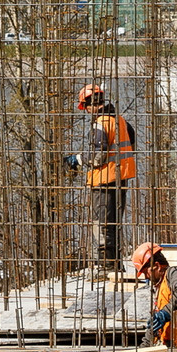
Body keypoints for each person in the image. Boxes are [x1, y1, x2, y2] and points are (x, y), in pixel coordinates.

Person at [71, 83, 137, 269]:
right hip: (121, 178)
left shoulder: (101, 123)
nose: (87, 111)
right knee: (114, 221)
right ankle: (115, 263)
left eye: (86, 107)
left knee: (103, 223)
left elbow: (98, 155)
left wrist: (78, 159)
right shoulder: (121, 120)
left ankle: (106, 265)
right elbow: (130, 143)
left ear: (90, 104)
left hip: (104, 180)